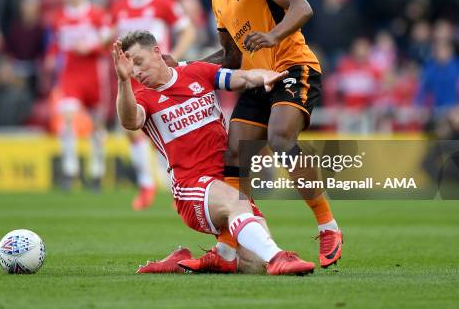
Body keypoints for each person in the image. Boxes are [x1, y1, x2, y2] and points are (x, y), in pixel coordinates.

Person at [195, 0, 342, 269]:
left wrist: (273, 36)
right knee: (234, 153)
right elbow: (231, 56)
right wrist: (188, 67)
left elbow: (302, 7)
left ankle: (328, 226)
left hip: (293, 67)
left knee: (280, 138)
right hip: (257, 80)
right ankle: (227, 250)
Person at [113, 30, 315, 276]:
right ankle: (278, 257)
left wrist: (266, 76)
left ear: (156, 52)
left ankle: (187, 261)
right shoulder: (142, 97)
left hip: (226, 179)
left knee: (255, 265)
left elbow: (242, 78)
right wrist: (123, 82)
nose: (135, 71)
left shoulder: (197, 72)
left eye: (138, 62)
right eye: (130, 67)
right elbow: (130, 121)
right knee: (238, 206)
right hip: (191, 187)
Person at [111, 0, 196, 210]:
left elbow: (188, 30)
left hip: (160, 76)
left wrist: (174, 57)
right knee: (131, 127)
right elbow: (107, 34)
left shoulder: (164, 3)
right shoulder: (119, 7)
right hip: (135, 77)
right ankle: (147, 184)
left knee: (167, 128)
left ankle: (177, 186)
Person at [46, 0, 112, 190]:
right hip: (70, 75)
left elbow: (107, 40)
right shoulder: (59, 18)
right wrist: (51, 56)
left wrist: (91, 47)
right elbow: (56, 43)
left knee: (96, 125)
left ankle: (96, 172)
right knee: (67, 119)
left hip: (93, 74)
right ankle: (70, 170)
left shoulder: (97, 14)